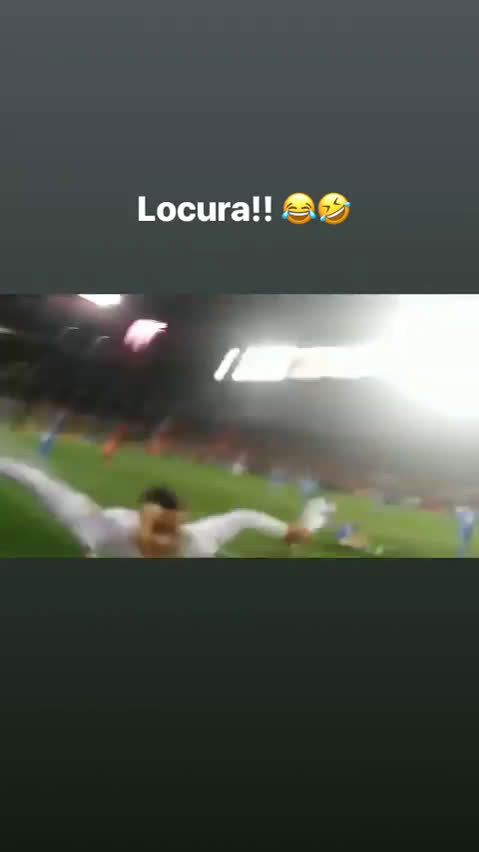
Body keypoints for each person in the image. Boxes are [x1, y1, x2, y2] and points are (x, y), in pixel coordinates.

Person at [0, 457, 318, 558]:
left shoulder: (197, 537)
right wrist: (147, 520)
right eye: (177, 511)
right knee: (39, 482)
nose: (183, 515)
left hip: (101, 530)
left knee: (42, 484)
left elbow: (244, 516)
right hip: (95, 525)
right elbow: (151, 546)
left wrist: (286, 531)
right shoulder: (123, 526)